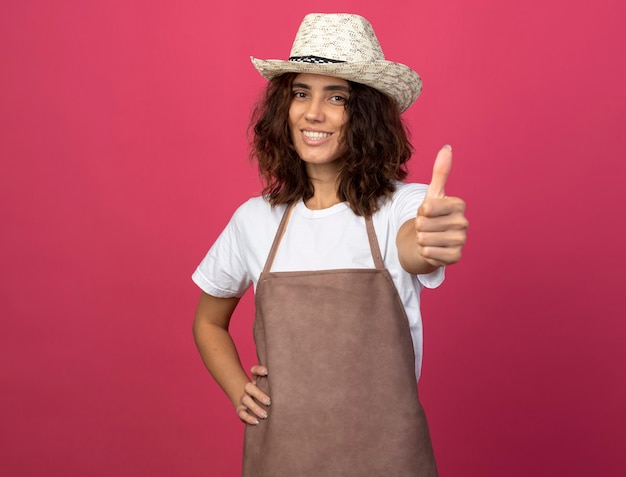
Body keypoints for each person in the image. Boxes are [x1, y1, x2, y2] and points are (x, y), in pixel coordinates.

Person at [192, 13, 468, 476]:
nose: (312, 113)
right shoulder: (254, 220)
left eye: (335, 97)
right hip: (282, 458)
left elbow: (414, 245)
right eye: (301, 93)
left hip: (389, 459)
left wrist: (431, 237)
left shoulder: (403, 206)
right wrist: (239, 387)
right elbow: (208, 322)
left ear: (365, 114)